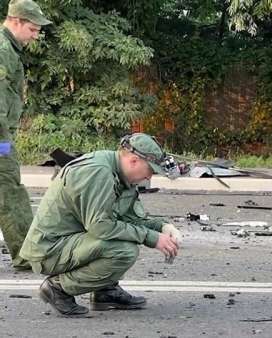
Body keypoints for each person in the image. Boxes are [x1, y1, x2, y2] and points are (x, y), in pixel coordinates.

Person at [20, 133, 182, 316]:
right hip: (49, 250)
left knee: (124, 236)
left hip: (70, 242)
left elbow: (130, 219)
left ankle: (105, 291)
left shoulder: (121, 175)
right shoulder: (99, 172)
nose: (148, 177)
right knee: (123, 250)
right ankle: (57, 289)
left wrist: (163, 228)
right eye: (150, 170)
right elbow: (101, 227)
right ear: (134, 160)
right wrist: (151, 238)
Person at [0, 0, 51, 270]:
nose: (35, 36)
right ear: (16, 21)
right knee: (9, 189)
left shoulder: (8, 48)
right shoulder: (3, 50)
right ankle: (25, 254)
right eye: (32, 29)